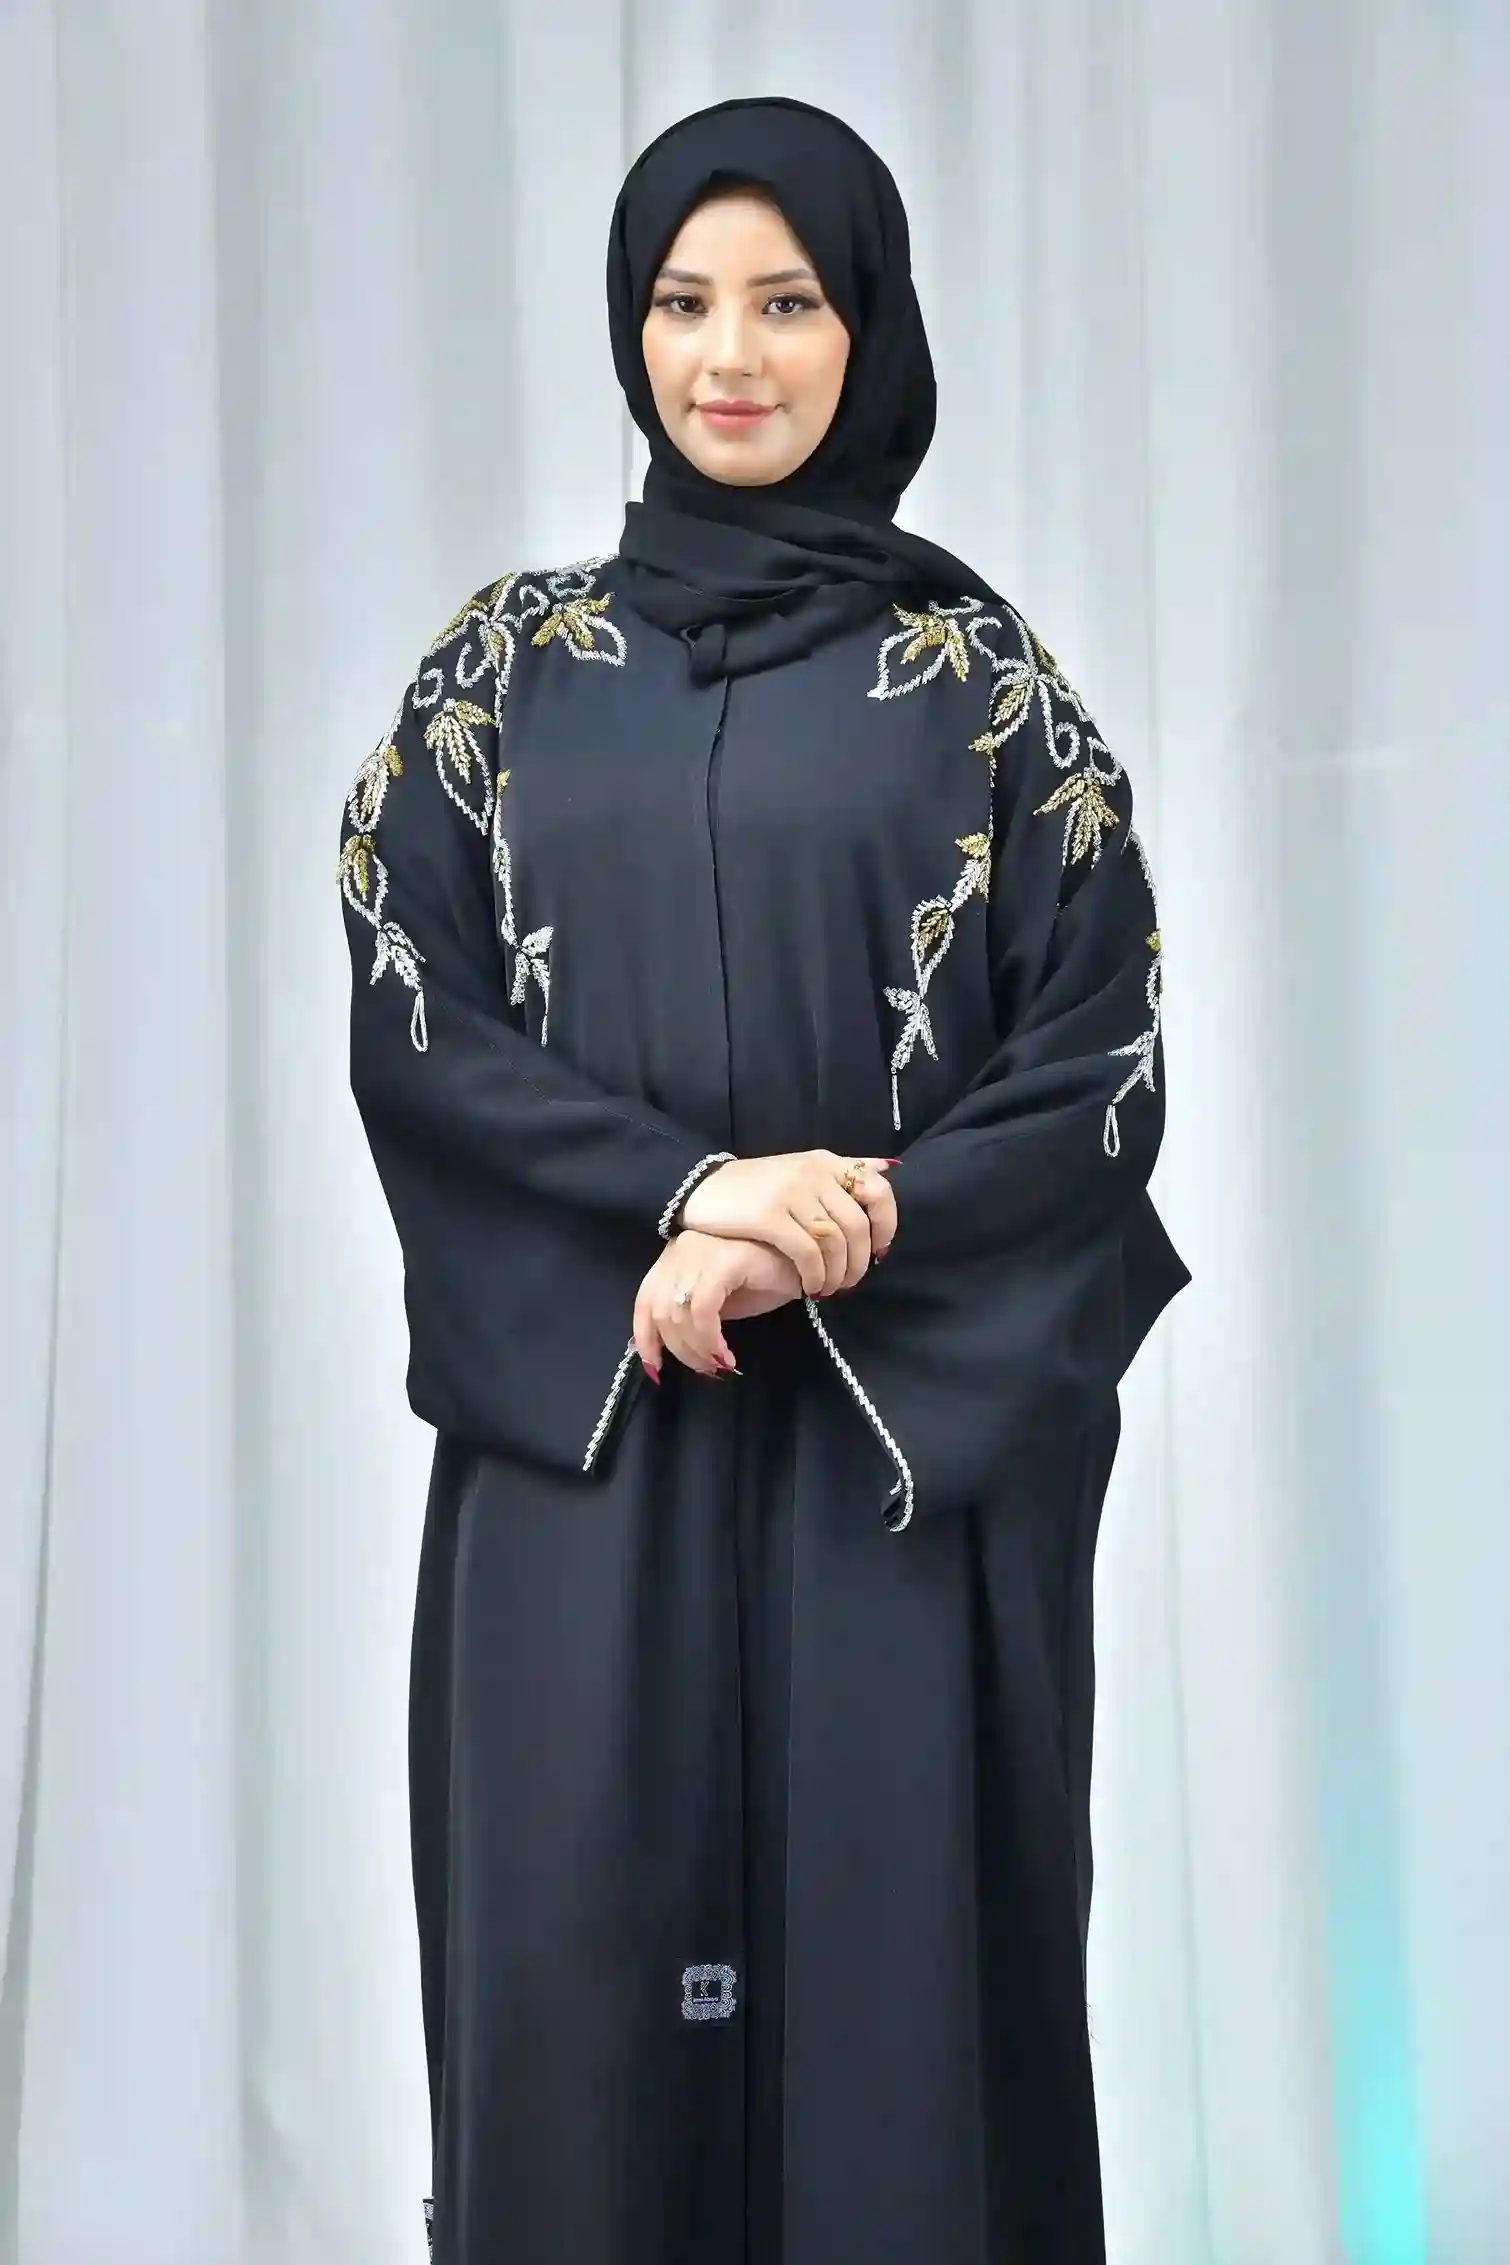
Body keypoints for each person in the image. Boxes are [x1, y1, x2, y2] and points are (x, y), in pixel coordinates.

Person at [338, 93, 1189, 2265]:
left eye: (788, 302)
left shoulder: (982, 695)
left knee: (897, 2028)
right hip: (592, 1450)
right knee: (579, 2006)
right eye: (682, 301)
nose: (728, 355)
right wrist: (684, 1197)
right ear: (628, 329)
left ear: (866, 324)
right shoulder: (499, 682)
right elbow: (416, 1019)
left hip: (893, 1472)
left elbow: (1096, 1058)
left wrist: (843, 1229)